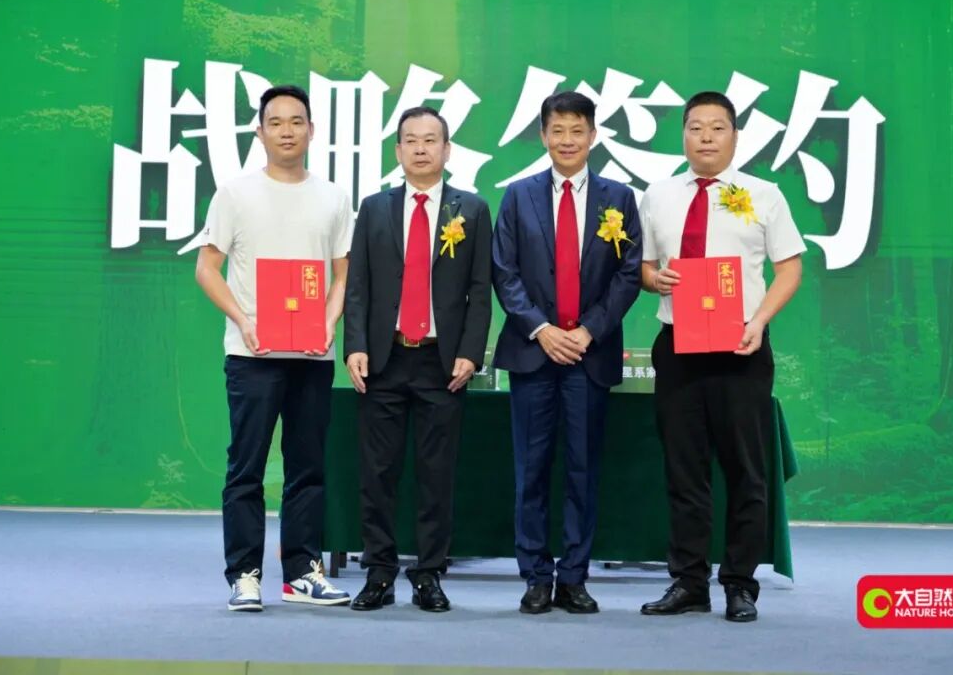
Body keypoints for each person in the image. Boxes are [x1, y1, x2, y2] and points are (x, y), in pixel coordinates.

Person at [638, 91, 805, 622]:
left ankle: (739, 584)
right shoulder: (659, 195)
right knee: (684, 470)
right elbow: (643, 267)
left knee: (746, 471)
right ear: (683, 135)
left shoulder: (763, 194)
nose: (705, 137)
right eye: (695, 127)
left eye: (717, 128)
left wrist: (759, 321)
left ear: (735, 135)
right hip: (678, 346)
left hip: (741, 346)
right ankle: (688, 582)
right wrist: (655, 280)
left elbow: (790, 269)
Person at [194, 85, 352, 612]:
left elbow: (343, 274)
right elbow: (206, 269)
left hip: (312, 357)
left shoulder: (333, 197)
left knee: (308, 467)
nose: (287, 131)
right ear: (259, 132)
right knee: (247, 468)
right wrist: (243, 320)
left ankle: (302, 572)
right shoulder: (235, 194)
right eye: (276, 122)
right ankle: (244, 574)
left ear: (312, 130)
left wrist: (328, 322)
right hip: (252, 356)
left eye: (297, 121)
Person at [491, 91, 641, 614]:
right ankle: (535, 576)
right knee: (531, 470)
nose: (568, 140)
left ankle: (574, 577)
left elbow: (629, 274)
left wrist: (589, 331)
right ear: (543, 136)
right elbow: (504, 272)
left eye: (577, 130)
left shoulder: (619, 198)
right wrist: (541, 329)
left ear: (593, 136)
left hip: (588, 356)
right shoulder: (518, 196)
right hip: (534, 354)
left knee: (582, 469)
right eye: (558, 130)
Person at [343, 106, 492, 612]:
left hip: (440, 362)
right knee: (377, 473)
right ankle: (379, 572)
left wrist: (470, 352)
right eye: (411, 140)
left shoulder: (471, 210)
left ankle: (429, 573)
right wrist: (355, 344)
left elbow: (480, 291)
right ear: (398, 150)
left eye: (431, 140)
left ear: (447, 150)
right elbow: (358, 287)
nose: (421, 148)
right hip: (383, 360)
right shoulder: (374, 208)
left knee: (436, 475)